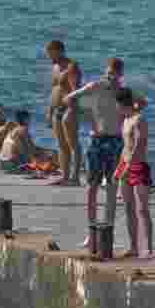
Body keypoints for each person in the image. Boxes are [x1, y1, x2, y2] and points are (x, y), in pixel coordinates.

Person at [65, 58, 124, 251]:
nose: (110, 78)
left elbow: (142, 103)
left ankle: (108, 233)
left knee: (112, 189)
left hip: (115, 141)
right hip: (97, 140)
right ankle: (91, 234)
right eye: (108, 74)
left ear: (120, 75)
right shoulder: (96, 86)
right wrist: (89, 113)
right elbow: (69, 98)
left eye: (114, 75)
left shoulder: (123, 92)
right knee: (92, 188)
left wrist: (126, 111)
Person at [116, 88, 154, 258]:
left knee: (143, 209)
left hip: (138, 166)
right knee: (128, 208)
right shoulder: (125, 120)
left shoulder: (139, 120)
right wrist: (119, 167)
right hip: (125, 164)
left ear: (122, 103)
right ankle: (133, 247)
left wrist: (129, 166)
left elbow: (140, 143)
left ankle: (148, 248)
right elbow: (125, 146)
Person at [45, 40, 83, 186]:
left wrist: (72, 111)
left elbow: (75, 91)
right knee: (61, 145)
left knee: (73, 144)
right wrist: (49, 111)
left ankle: (75, 177)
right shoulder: (55, 67)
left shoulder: (71, 66)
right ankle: (64, 176)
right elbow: (54, 90)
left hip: (69, 109)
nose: (49, 56)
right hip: (56, 109)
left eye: (50, 53)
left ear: (59, 51)